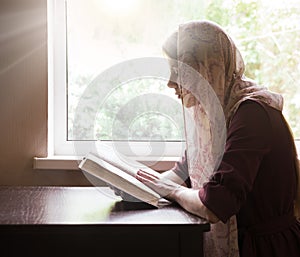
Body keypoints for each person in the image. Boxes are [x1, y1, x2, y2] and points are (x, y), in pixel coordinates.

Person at [135, 20, 300, 257]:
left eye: (179, 72)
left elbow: (215, 204)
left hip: (265, 249)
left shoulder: (252, 114)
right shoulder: (211, 115)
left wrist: (171, 191)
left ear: (208, 69)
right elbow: (184, 172)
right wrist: (136, 186)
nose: (170, 83)